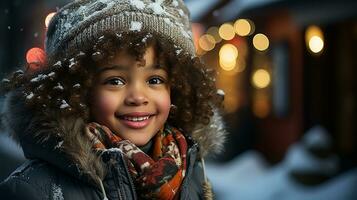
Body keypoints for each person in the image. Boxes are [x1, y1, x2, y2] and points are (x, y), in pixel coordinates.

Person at [0, 0, 226, 199]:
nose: (138, 97)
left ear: (176, 88)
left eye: (155, 80)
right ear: (78, 91)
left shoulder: (192, 174)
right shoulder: (32, 190)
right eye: (115, 81)